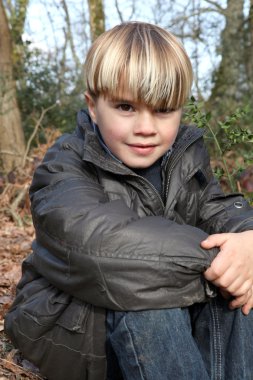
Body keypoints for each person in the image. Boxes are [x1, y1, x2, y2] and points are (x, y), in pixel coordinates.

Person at [4, 21, 253, 380]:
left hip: (169, 321)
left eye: (163, 110)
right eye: (125, 106)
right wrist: (221, 262)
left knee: (242, 293)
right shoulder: (65, 164)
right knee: (150, 299)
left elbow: (216, 207)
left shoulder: (184, 155)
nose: (146, 127)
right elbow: (102, 249)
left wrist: (246, 241)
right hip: (78, 327)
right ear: (93, 106)